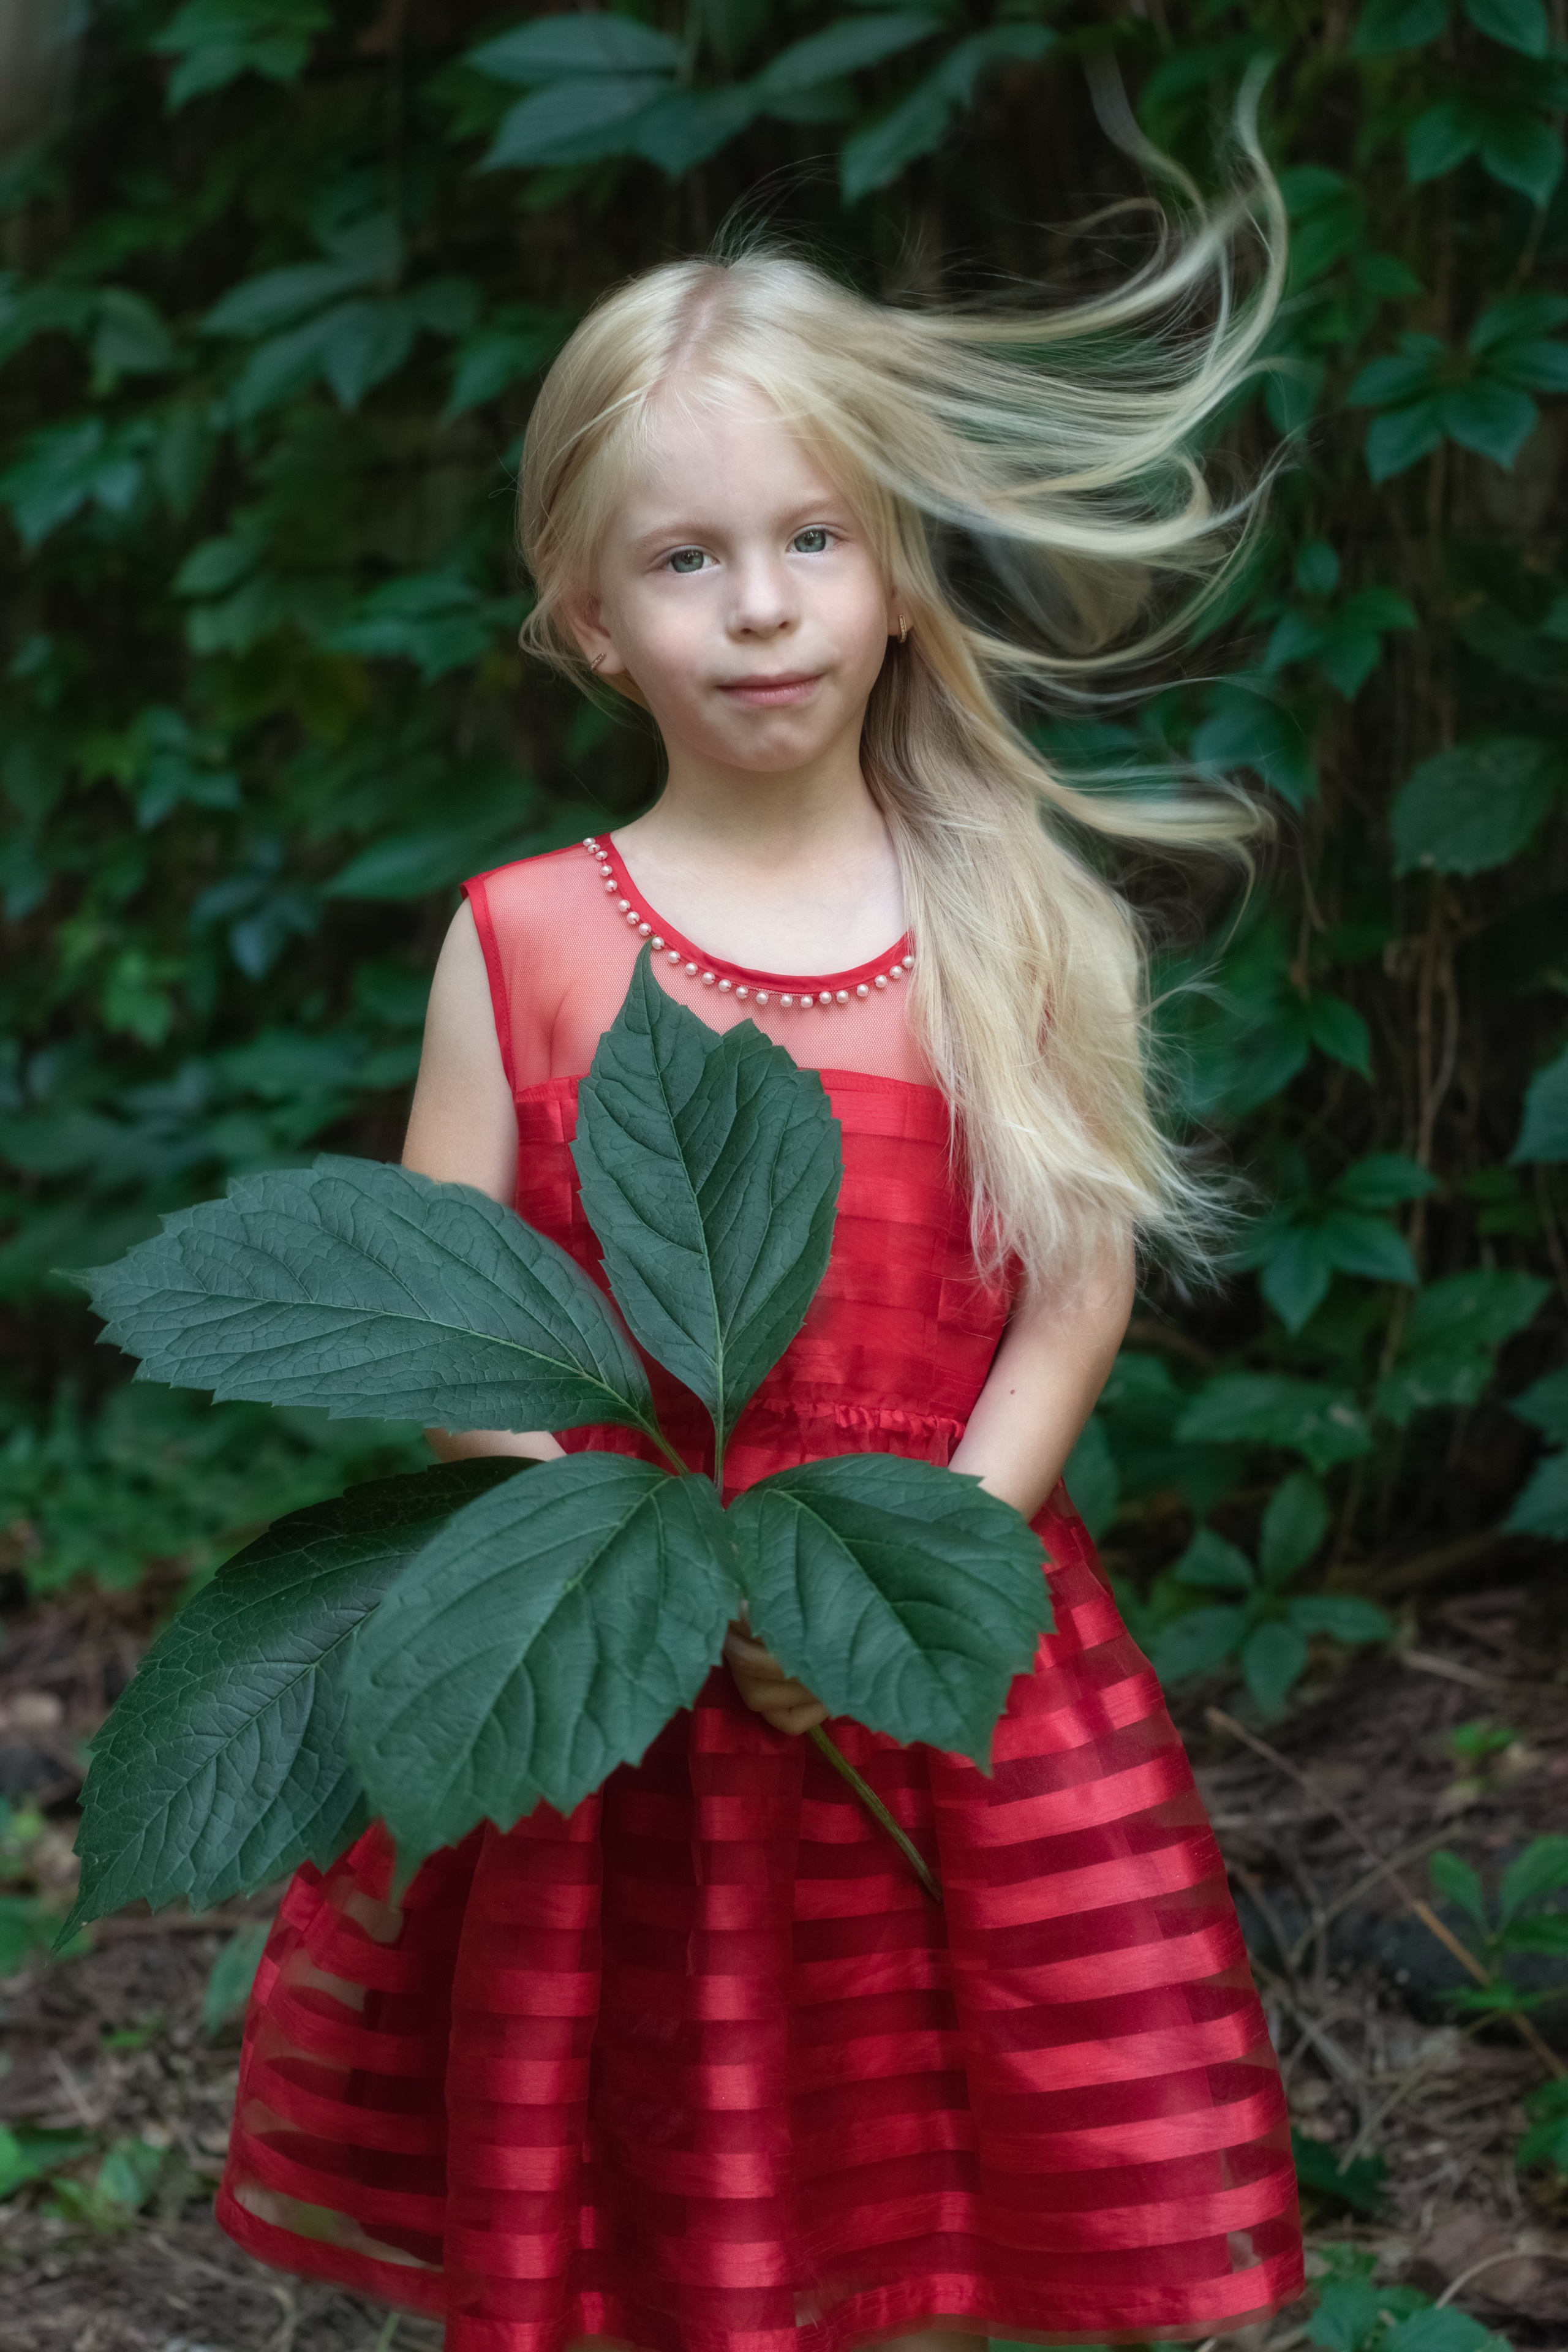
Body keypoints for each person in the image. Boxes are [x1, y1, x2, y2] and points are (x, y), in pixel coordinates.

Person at [216, 173, 1305, 2352]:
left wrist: (915, 1584)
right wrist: (623, 1588)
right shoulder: (525, 939)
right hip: (609, 1678)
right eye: (686, 560)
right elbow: (444, 1310)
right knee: (651, 2152)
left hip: (934, 1634)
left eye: (814, 538)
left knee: (949, 2154)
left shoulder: (1018, 920)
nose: (763, 609)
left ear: (897, 564)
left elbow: (1074, 1290)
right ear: (587, 614)